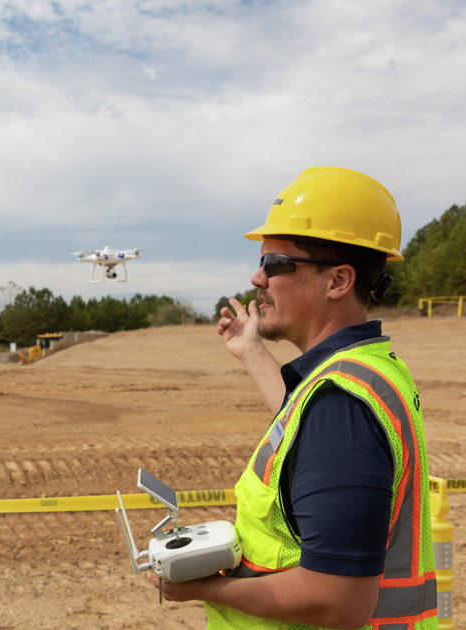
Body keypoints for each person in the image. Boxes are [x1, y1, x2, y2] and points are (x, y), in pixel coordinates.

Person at [154, 167, 437, 629]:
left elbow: (336, 600)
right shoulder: (356, 373)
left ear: (338, 281)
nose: (257, 278)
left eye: (275, 263)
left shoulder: (342, 406)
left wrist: (207, 589)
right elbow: (301, 421)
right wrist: (251, 352)